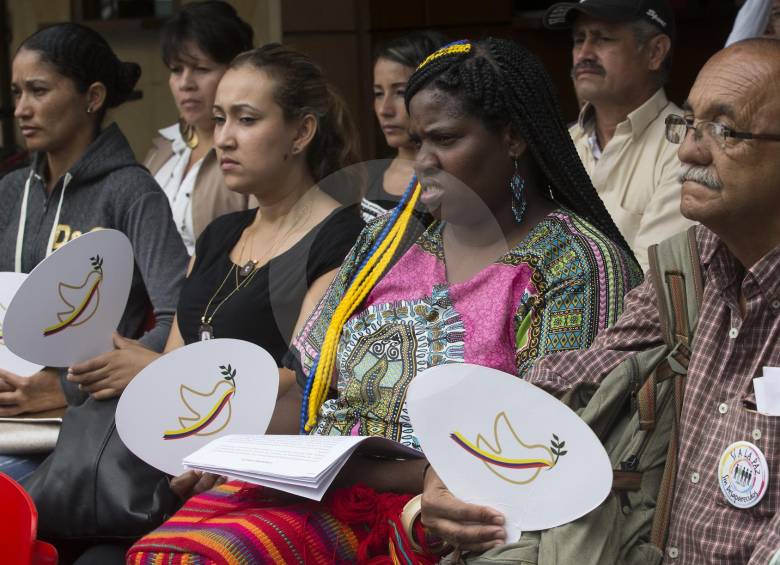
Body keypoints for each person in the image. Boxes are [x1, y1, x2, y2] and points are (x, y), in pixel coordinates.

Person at [127, 38, 643, 564]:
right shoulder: (386, 244)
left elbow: (539, 456)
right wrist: (233, 448)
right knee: (163, 553)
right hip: (320, 489)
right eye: (417, 141)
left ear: (512, 137)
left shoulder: (572, 263)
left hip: (443, 522)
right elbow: (306, 381)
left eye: (444, 139)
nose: (422, 162)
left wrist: (388, 477)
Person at [420, 38, 780, 564]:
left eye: (724, 131)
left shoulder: (578, 258)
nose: (689, 152)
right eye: (690, 126)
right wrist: (449, 469)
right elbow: (570, 378)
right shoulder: (689, 271)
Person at [69, 43, 365, 420]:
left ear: (302, 132)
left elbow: (305, 381)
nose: (223, 138)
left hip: (261, 457)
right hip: (179, 437)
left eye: (246, 120)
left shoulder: (343, 239)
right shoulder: (219, 235)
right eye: (219, 118)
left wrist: (160, 371)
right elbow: (174, 359)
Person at [0, 22, 187, 562]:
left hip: (82, 439)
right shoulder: (11, 191)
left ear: (93, 98)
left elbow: (177, 321)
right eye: (16, 93)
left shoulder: (132, 192)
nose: (21, 109)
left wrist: (67, 386)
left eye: (39, 90)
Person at [543, 0, 694, 271]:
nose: (584, 54)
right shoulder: (563, 144)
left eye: (603, 39)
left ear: (654, 52)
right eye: (579, 39)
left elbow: (654, 285)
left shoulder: (686, 145)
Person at [144, 1, 254, 254]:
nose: (185, 83)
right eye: (176, 70)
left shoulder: (251, 150)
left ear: (235, 71)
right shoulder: (164, 147)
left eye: (201, 69)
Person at [364, 31, 447, 214]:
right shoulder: (368, 178)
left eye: (400, 92)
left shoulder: (449, 183)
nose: (384, 110)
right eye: (378, 94)